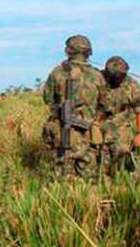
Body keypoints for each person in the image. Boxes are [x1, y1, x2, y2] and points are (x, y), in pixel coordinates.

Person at [42, 35, 105, 180]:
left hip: (63, 130)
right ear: (88, 52)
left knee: (62, 174)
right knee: (89, 175)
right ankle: (88, 201)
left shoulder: (58, 72)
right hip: (87, 132)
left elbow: (48, 99)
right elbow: (104, 104)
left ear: (68, 51)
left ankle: (65, 201)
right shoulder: (97, 75)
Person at [99, 56, 140, 175]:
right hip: (98, 125)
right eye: (116, 77)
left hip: (121, 128)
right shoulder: (97, 80)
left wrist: (139, 134)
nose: (119, 79)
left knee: (122, 160)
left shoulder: (131, 86)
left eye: (122, 76)